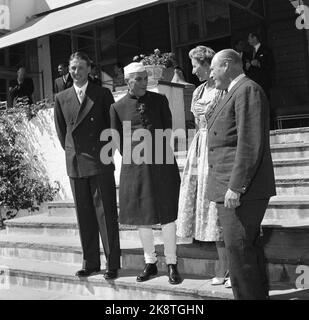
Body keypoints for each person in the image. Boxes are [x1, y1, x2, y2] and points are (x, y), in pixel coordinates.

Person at [208, 49, 276, 299]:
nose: (211, 73)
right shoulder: (232, 92)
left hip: (240, 189)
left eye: (214, 68)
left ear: (226, 65)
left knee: (239, 253)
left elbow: (250, 143)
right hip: (229, 184)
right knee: (244, 251)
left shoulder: (247, 90)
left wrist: (236, 187)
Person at [110, 62, 182, 285]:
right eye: (139, 79)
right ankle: (150, 262)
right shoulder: (117, 108)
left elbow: (167, 129)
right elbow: (118, 140)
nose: (144, 82)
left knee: (168, 214)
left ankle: (172, 263)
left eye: (145, 78)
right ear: (127, 81)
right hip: (136, 169)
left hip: (162, 165)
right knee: (143, 217)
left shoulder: (159, 100)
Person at [54, 51, 121, 280]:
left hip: (99, 161)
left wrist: (106, 154)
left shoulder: (102, 93)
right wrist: (74, 154)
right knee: (84, 216)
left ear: (89, 69)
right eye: (72, 68)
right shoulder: (61, 97)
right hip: (76, 163)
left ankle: (112, 263)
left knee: (106, 214)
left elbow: (112, 128)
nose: (75, 72)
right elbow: (63, 133)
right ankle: (90, 262)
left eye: (80, 68)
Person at [176, 46, 230, 287]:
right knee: (206, 210)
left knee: (219, 212)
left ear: (208, 65)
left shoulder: (223, 88)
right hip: (199, 147)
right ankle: (224, 266)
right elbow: (197, 125)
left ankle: (229, 267)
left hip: (217, 147)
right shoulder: (198, 90)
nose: (192, 69)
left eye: (195, 65)